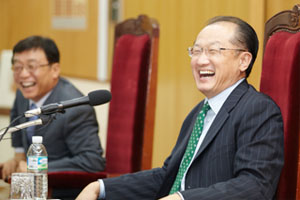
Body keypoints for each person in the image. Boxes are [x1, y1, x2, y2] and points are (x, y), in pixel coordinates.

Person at [76, 16, 284, 200]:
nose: (201, 60)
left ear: (243, 61)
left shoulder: (258, 109)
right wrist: (100, 188)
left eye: (213, 51)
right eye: (196, 51)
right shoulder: (200, 112)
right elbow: (167, 176)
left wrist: (182, 198)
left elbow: (255, 186)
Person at [0, 36, 106, 180]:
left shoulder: (76, 109)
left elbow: (92, 161)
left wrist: (36, 167)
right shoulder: (22, 93)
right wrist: (17, 159)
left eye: (32, 66)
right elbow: (17, 121)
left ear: (55, 69)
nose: (23, 75)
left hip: (61, 190)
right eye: (17, 67)